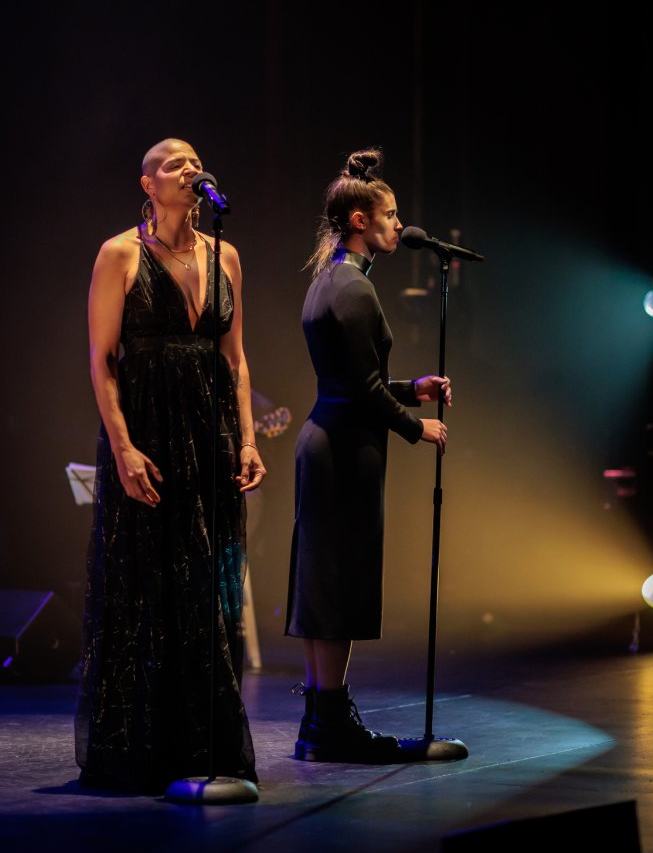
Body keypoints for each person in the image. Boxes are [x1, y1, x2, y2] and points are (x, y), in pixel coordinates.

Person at [75, 137, 266, 793]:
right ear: (147, 183)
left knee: (207, 589)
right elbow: (102, 359)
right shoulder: (119, 253)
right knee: (145, 583)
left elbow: (236, 360)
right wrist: (124, 446)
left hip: (210, 432)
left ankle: (202, 742)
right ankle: (141, 746)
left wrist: (246, 438)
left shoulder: (225, 255)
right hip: (148, 431)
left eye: (194, 160)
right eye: (173, 163)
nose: (189, 168)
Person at [286, 147, 451, 762]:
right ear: (359, 219)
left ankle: (320, 719)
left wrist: (414, 387)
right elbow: (360, 388)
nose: (395, 224)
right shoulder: (353, 287)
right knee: (336, 584)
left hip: (332, 440)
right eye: (388, 215)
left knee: (326, 581)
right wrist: (416, 426)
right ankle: (330, 722)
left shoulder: (331, 279)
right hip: (343, 449)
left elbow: (355, 377)